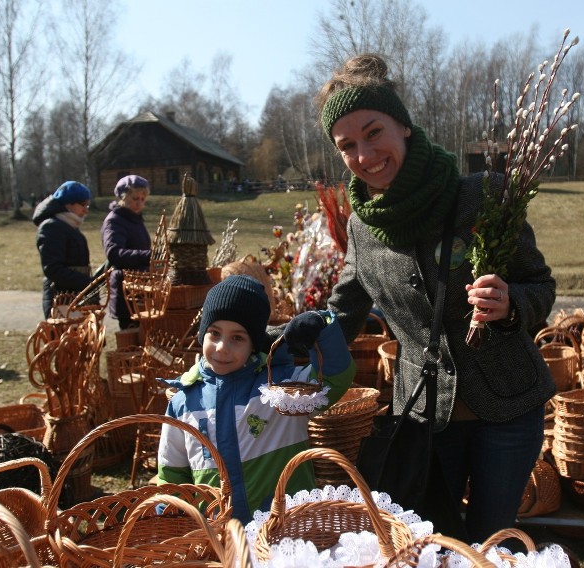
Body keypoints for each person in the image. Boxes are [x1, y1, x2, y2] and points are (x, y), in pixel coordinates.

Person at [315, 53, 556, 542]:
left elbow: (541, 285)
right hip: (424, 417)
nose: (364, 154)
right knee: (430, 542)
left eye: (373, 132)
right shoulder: (362, 228)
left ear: (403, 125)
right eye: (347, 145)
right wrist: (272, 338)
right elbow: (342, 315)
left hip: (508, 408)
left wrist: (511, 304)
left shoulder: (482, 195)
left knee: (491, 540)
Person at [156, 274, 354, 523]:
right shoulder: (183, 403)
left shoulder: (281, 392)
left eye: (237, 338)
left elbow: (335, 379)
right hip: (218, 538)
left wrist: (322, 326)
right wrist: (167, 522)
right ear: (202, 334)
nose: (222, 347)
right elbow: (172, 475)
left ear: (254, 344)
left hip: (285, 531)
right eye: (214, 333)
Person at [31, 181, 94, 319]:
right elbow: (53, 269)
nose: (86, 210)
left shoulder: (70, 225)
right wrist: (87, 282)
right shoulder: (51, 227)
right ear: (69, 203)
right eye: (83, 204)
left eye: (87, 205)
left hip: (74, 297)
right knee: (66, 339)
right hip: (60, 299)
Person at [100, 175, 152, 329]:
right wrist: (149, 256)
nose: (139, 203)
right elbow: (114, 253)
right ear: (123, 197)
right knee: (131, 341)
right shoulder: (115, 221)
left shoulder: (135, 220)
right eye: (135, 198)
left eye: (143, 199)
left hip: (140, 289)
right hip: (126, 292)